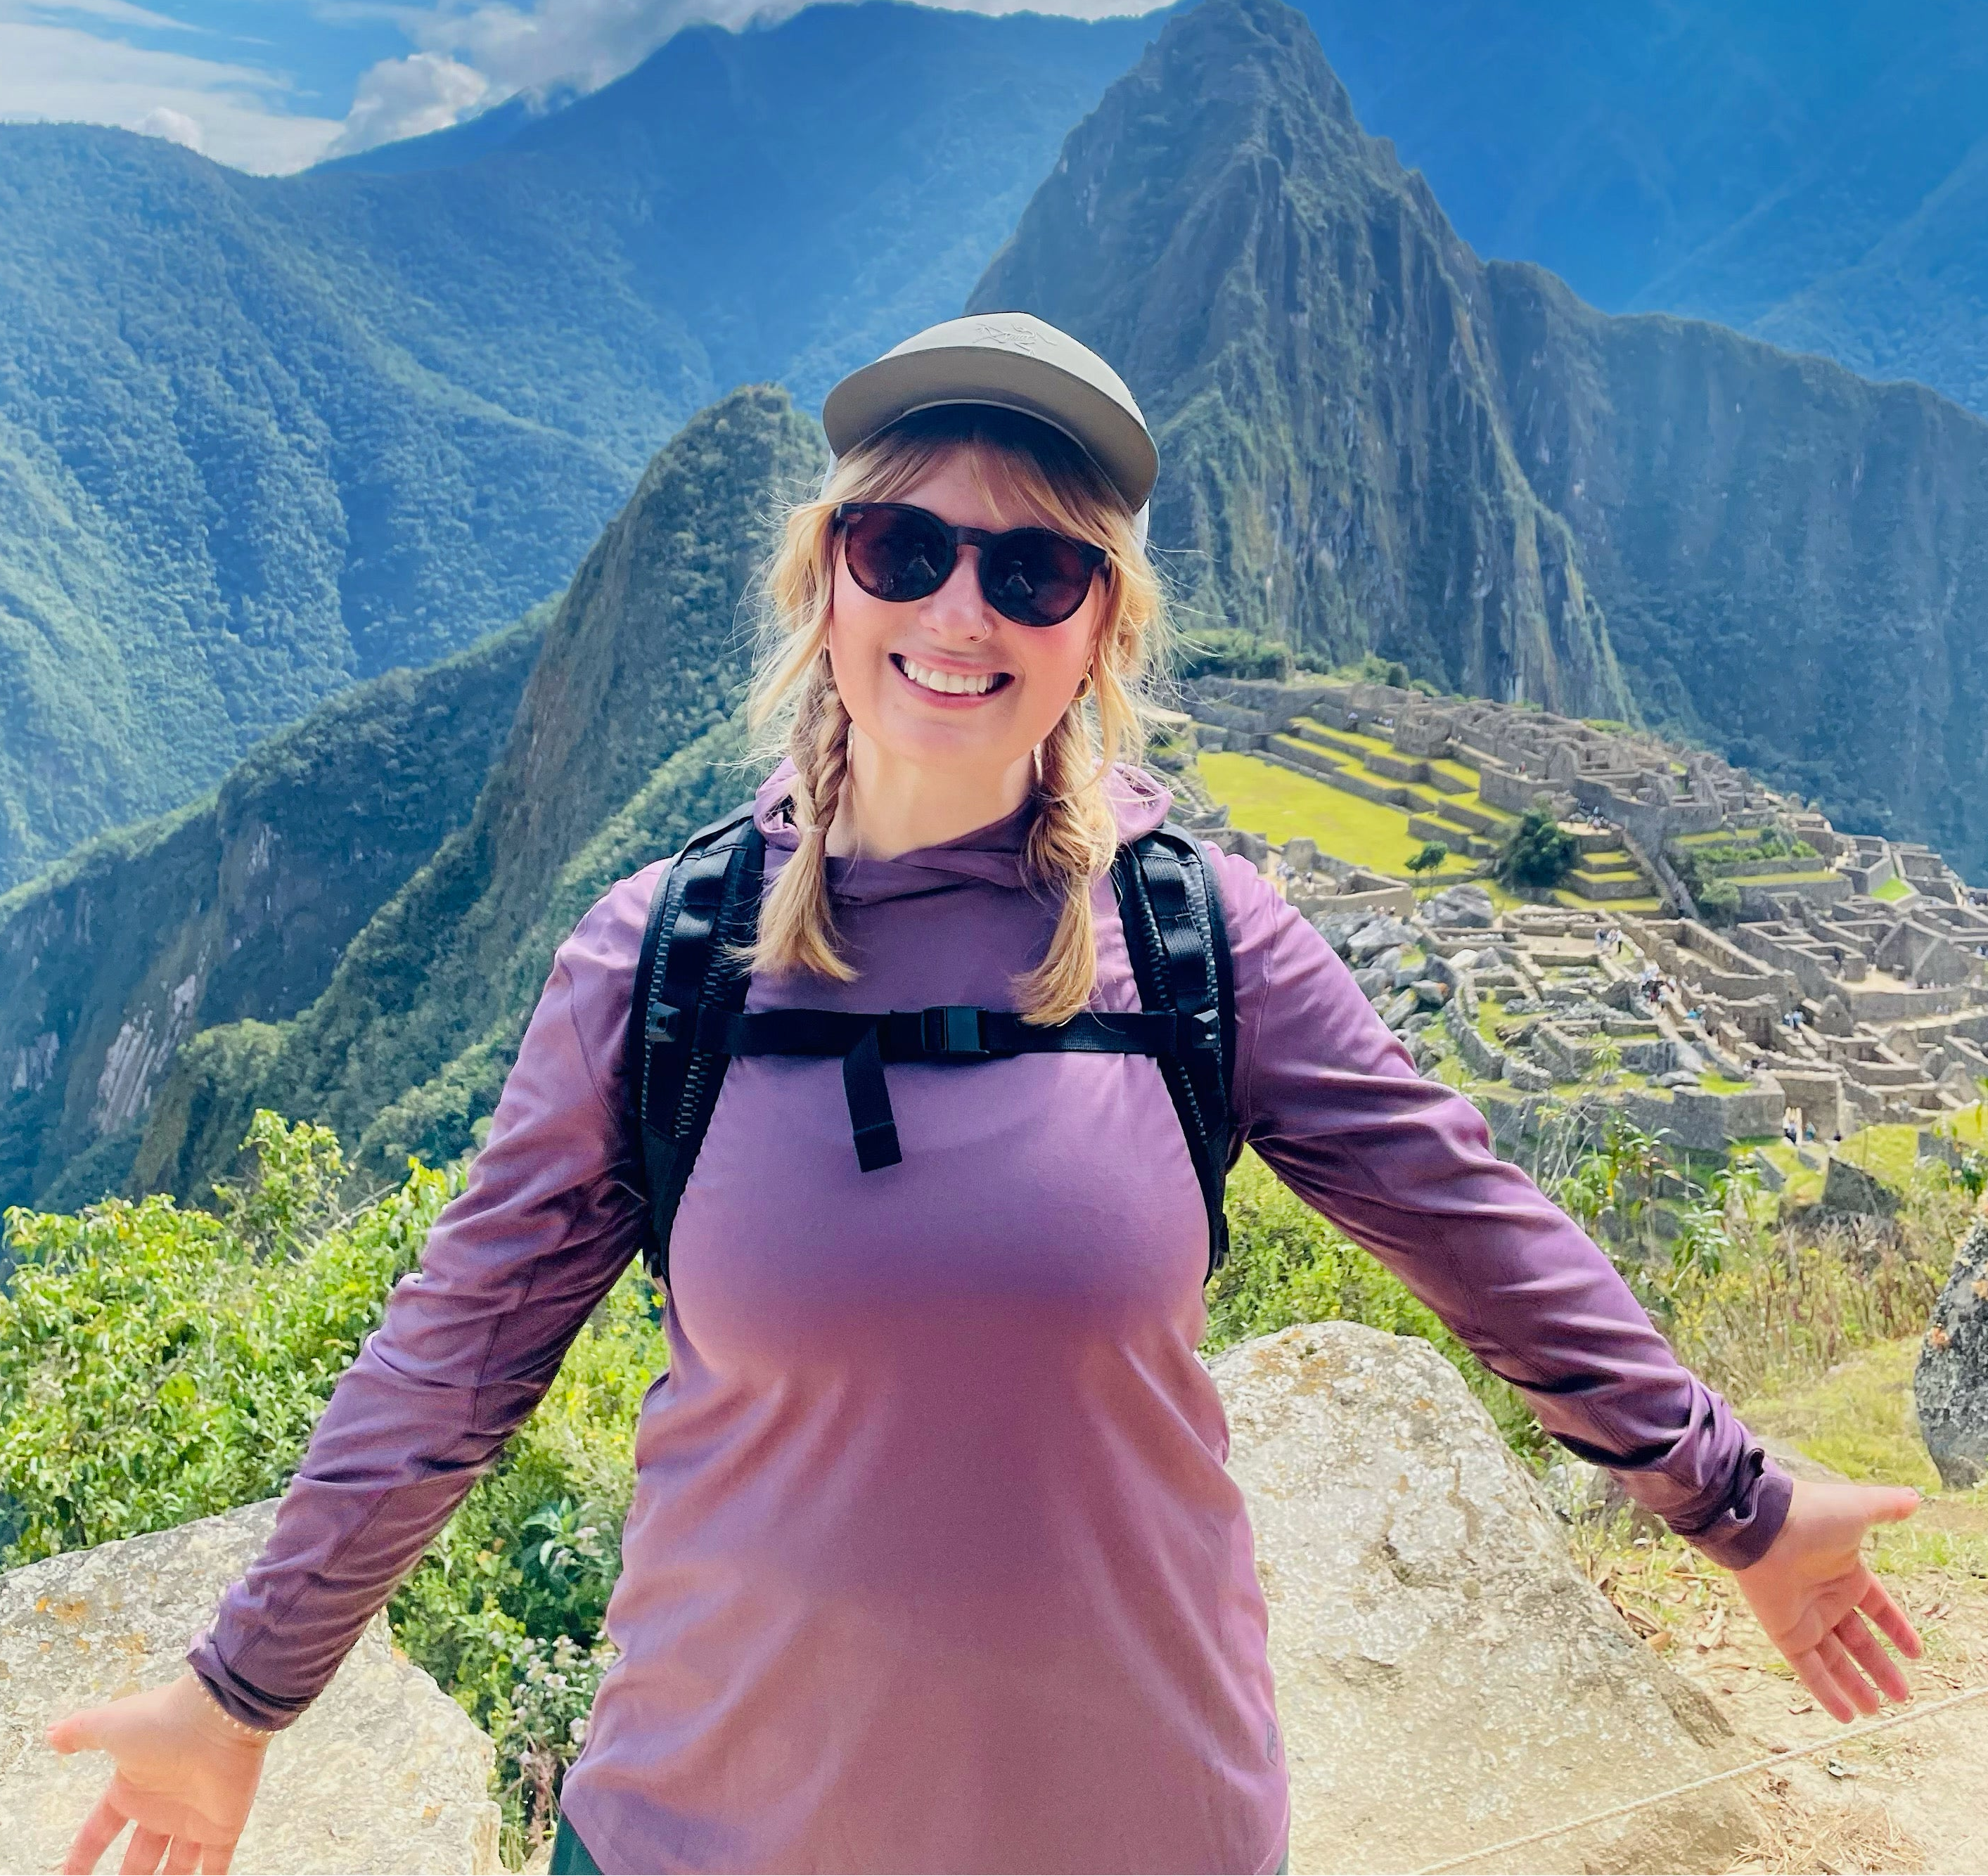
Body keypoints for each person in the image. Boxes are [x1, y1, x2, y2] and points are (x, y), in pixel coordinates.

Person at [49, 314, 1923, 1876]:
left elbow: (1469, 1222)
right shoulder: (664, 963)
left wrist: (1740, 1501)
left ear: (1101, 627)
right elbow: (452, 1359)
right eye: (907, 549)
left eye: (1033, 570)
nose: (963, 609)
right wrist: (238, 1697)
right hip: (709, 1833)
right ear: (830, 575)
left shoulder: (1196, 943)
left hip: (1142, 1830)